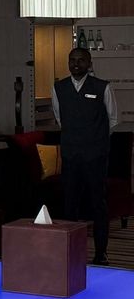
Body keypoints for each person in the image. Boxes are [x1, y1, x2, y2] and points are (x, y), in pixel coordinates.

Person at [53, 47, 119, 265]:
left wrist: (94, 140)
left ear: (89, 63)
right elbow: (60, 118)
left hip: (95, 156)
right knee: (69, 204)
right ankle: (71, 253)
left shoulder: (102, 87)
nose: (76, 64)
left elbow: (113, 119)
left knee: (98, 204)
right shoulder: (59, 87)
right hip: (71, 155)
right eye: (72, 60)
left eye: (81, 60)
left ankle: (101, 253)